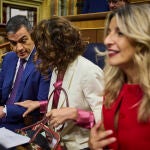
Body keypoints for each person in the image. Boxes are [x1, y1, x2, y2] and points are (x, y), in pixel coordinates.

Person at [16, 16, 104, 149]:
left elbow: (106, 120)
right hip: (57, 141)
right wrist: (40, 104)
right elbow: (63, 100)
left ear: (61, 46)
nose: (39, 53)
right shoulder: (58, 67)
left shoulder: (89, 71)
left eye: (44, 48)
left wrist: (74, 114)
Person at [89, 4, 150, 150]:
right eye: (109, 32)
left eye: (120, 33)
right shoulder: (112, 89)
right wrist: (94, 145)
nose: (107, 41)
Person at [0, 15, 50, 131]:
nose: (19, 48)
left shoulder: (45, 61)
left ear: (32, 35)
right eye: (13, 43)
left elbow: (41, 104)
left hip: (23, 125)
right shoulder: (9, 58)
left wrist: (6, 111)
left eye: (23, 40)